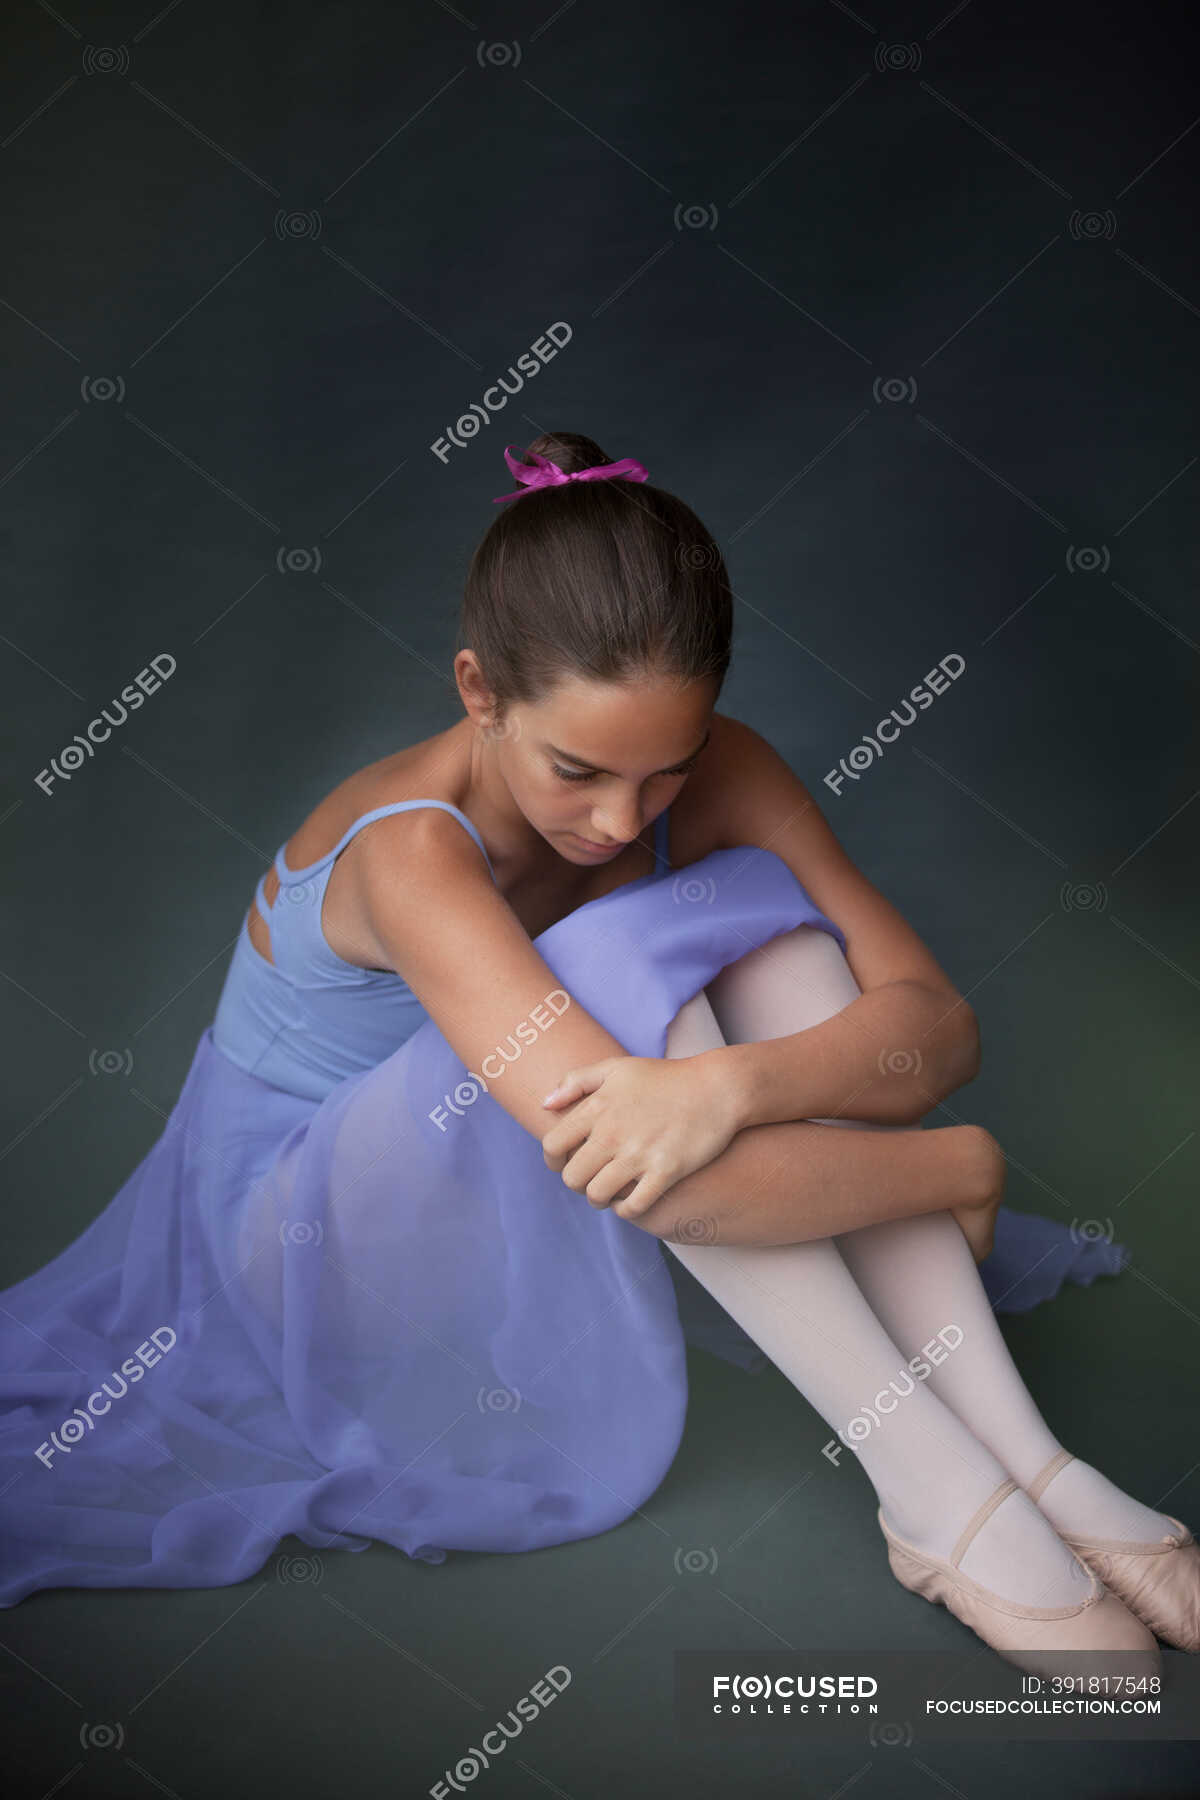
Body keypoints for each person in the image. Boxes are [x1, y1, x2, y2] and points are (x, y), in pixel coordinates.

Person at [1, 434, 1195, 1678]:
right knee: (622, 975)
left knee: (753, 919)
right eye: (576, 769)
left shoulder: (715, 774)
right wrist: (953, 1167)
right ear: (478, 690)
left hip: (541, 1168)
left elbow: (936, 1028)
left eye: (666, 767)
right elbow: (666, 1179)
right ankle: (936, 1496)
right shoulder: (411, 852)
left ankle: (1036, 1461)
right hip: (301, 1259)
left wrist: (734, 1082)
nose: (623, 818)